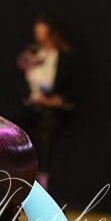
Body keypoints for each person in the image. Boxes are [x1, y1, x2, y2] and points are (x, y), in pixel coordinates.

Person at [16, 14, 80, 190]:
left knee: (46, 148)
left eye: (42, 31)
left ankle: (44, 188)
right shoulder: (33, 54)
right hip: (31, 108)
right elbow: (22, 80)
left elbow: (72, 89)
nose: (38, 35)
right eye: (37, 31)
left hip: (53, 112)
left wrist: (52, 101)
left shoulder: (64, 58)